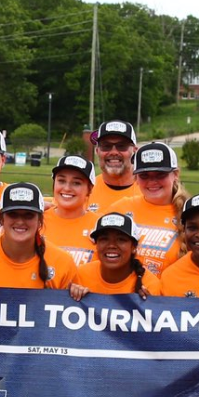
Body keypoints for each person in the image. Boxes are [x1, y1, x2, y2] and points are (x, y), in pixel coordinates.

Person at [0, 183, 75, 290]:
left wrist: (81, 294)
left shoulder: (62, 263)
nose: (20, 221)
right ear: (1, 218)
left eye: (28, 215)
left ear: (40, 220)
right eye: (13, 214)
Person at [110, 142, 185, 273]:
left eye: (160, 174)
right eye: (144, 175)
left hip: (169, 292)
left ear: (175, 174)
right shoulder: (120, 209)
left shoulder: (190, 213)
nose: (152, 181)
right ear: (136, 178)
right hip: (125, 292)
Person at [65, 213, 161, 298]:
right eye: (104, 239)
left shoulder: (150, 284)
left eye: (121, 239)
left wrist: (150, 306)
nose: (111, 245)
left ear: (133, 247)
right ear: (96, 245)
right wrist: (73, 296)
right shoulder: (79, 275)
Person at [42, 154, 99, 265]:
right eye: (61, 181)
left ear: (90, 189)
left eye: (76, 183)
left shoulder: (99, 226)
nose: (67, 188)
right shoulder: (36, 221)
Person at [87, 119, 142, 214]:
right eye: (106, 146)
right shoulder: (86, 189)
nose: (113, 152)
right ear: (97, 151)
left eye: (121, 146)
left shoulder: (148, 190)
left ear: (134, 150)